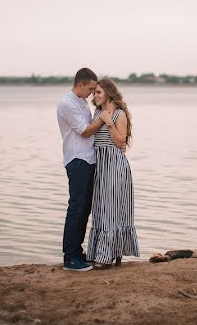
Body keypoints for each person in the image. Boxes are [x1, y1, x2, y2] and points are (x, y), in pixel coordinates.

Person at [86, 78, 139, 269]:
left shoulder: (119, 114)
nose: (95, 96)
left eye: (99, 92)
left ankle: (107, 256)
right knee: (100, 209)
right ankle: (102, 252)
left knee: (112, 209)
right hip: (100, 164)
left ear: (109, 92)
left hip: (115, 165)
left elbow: (120, 142)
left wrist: (109, 123)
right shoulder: (97, 112)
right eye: (94, 93)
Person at [56, 68, 105, 272]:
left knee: (85, 209)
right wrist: (104, 117)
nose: (92, 93)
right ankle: (70, 257)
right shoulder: (67, 104)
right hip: (77, 160)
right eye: (91, 89)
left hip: (88, 159)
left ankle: (78, 251)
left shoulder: (81, 102)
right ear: (81, 84)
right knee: (76, 208)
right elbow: (85, 131)